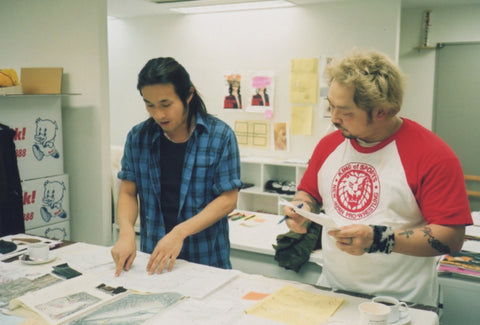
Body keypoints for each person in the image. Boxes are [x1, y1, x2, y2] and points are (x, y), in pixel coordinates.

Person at [283, 49, 472, 306]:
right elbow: (309, 193)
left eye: (346, 112)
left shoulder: (433, 155)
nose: (334, 118)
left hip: (403, 303)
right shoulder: (329, 145)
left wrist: (379, 239)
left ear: (383, 111)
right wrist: (301, 209)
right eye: (331, 106)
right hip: (333, 292)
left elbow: (451, 237)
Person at [111, 57, 242, 277]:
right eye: (149, 105)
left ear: (188, 95)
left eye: (166, 104)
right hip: (154, 261)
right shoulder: (138, 137)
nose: (158, 114)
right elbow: (127, 191)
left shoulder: (219, 136)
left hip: (206, 261)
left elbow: (228, 200)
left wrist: (179, 233)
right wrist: (126, 233)